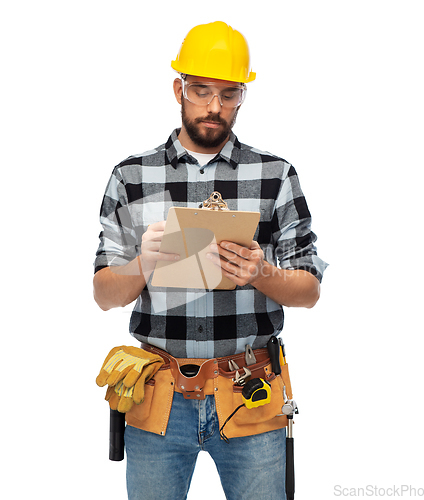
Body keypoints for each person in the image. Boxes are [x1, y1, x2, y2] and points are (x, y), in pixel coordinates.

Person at [93, 21, 327, 500]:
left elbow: (309, 290)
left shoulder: (275, 175)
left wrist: (261, 273)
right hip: (156, 397)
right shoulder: (131, 176)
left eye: (229, 94)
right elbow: (102, 295)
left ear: (243, 95)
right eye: (201, 91)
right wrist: (143, 264)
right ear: (179, 88)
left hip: (250, 394)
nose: (214, 107)